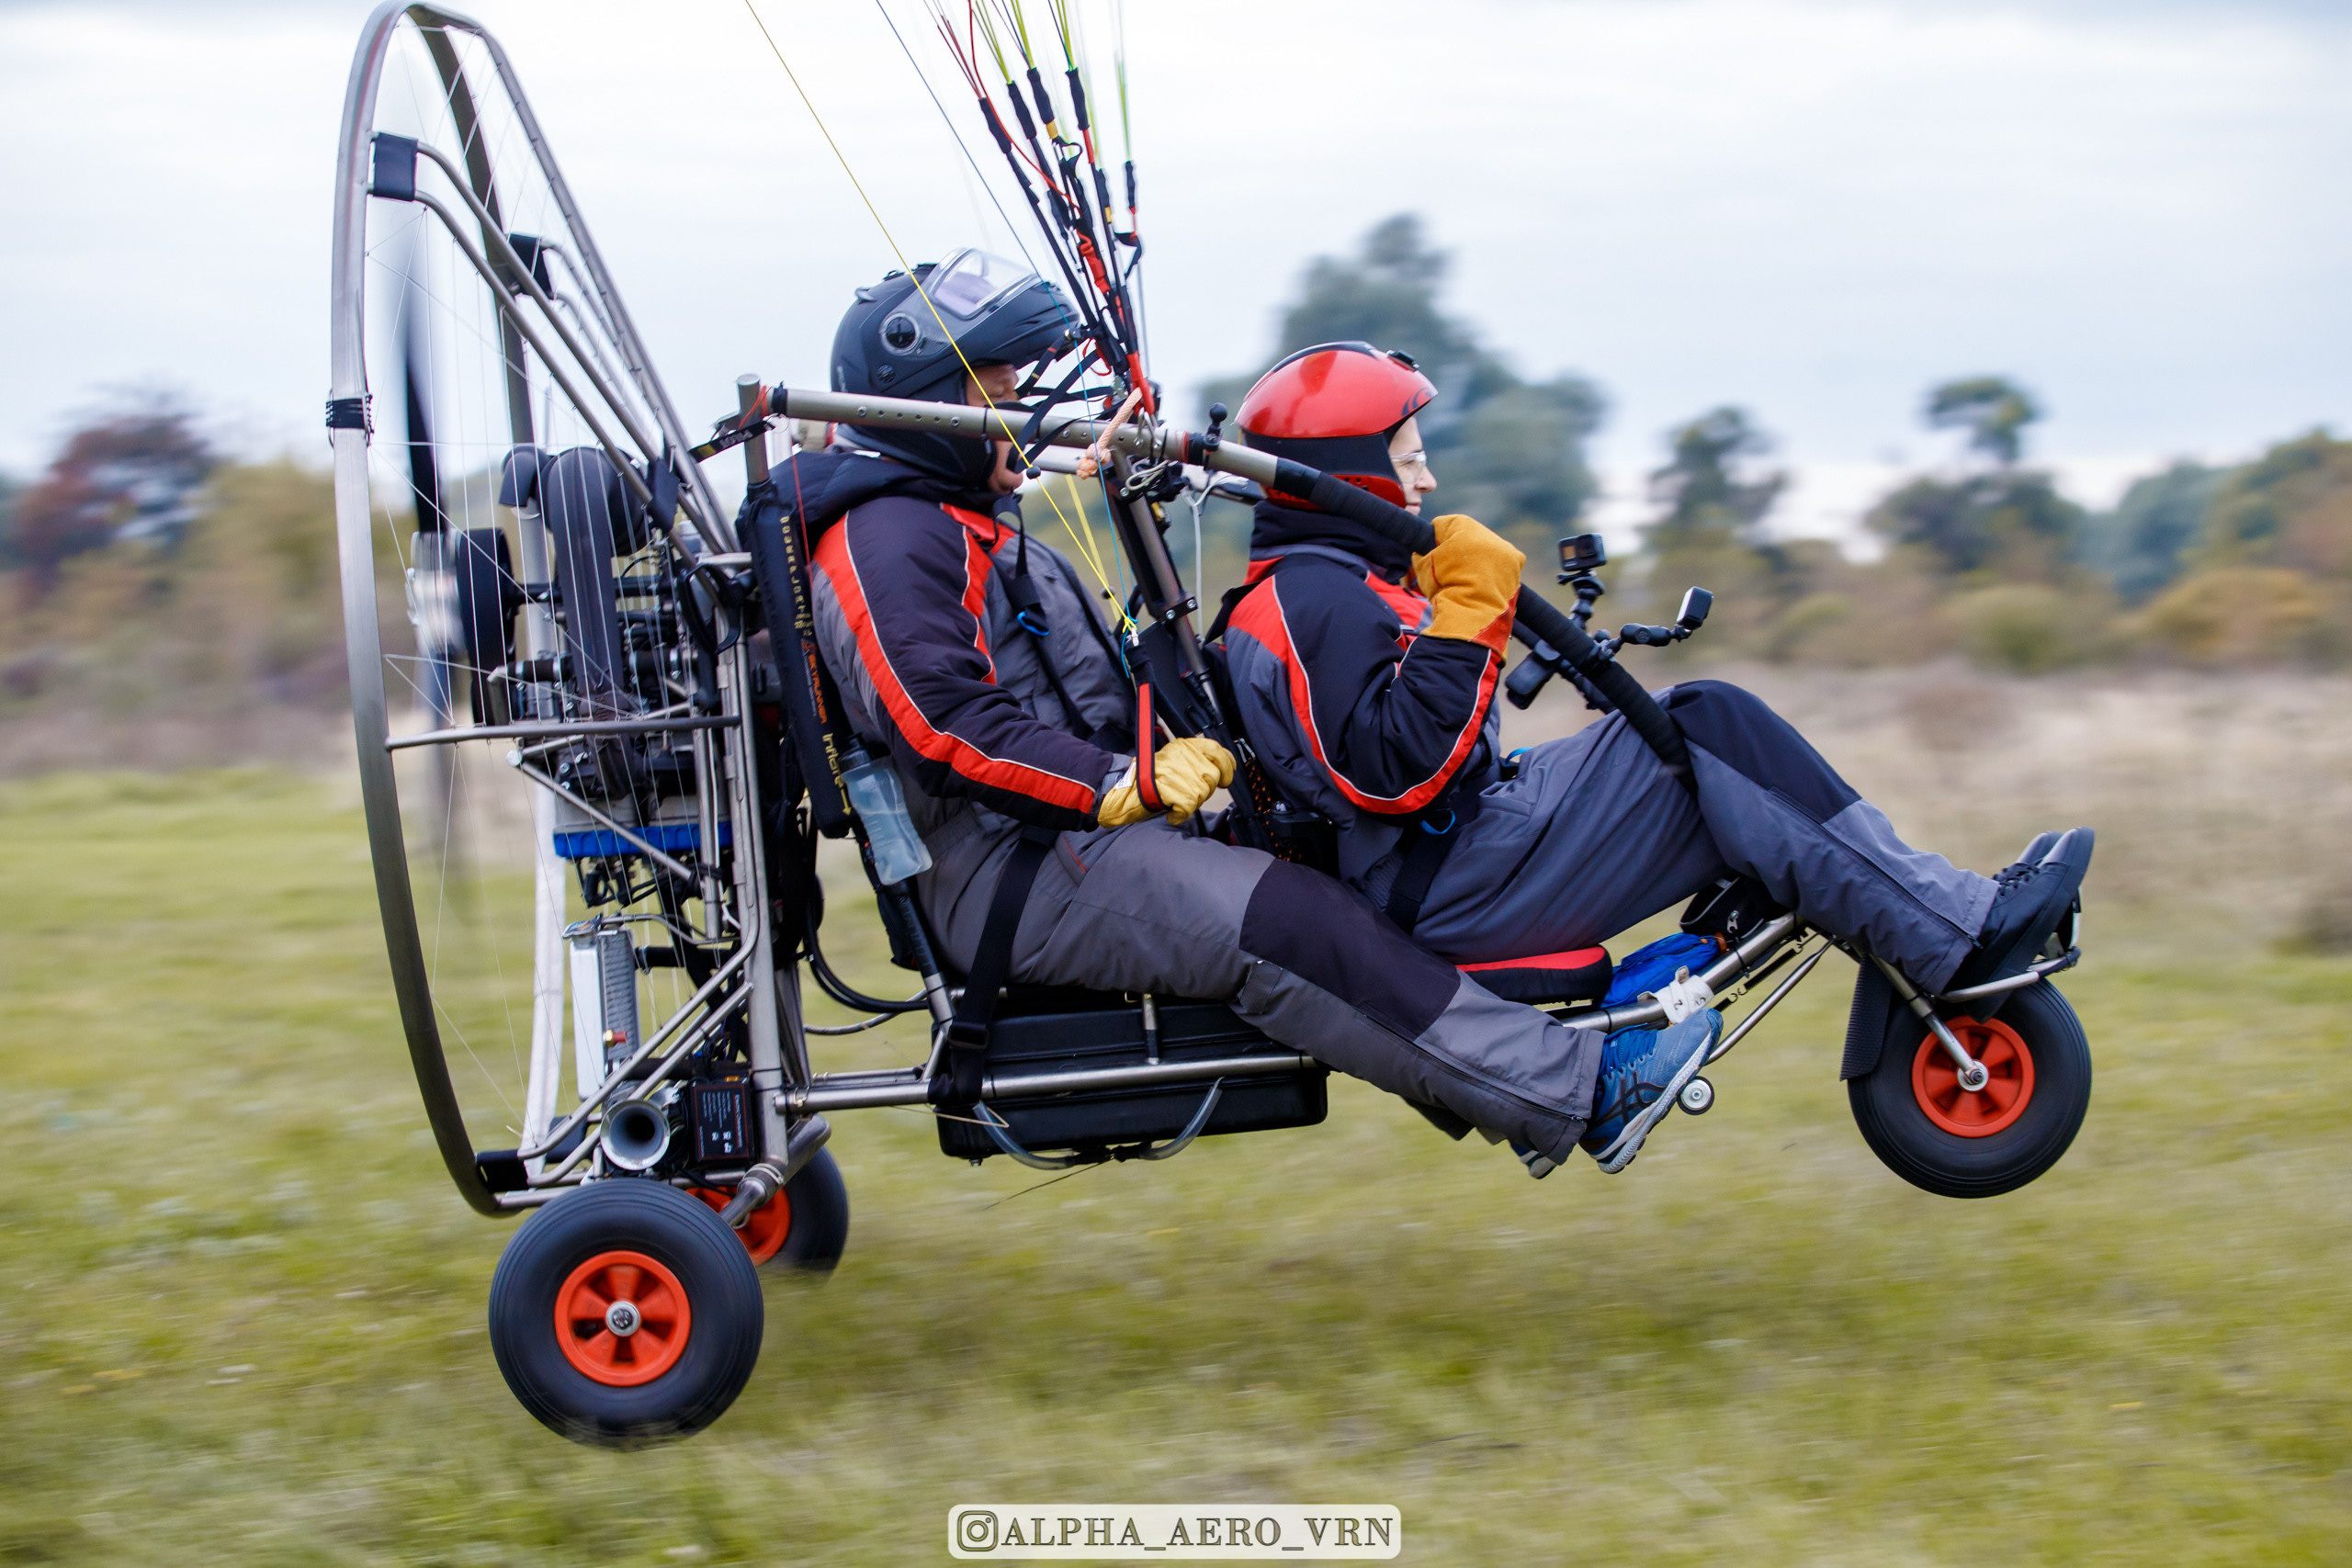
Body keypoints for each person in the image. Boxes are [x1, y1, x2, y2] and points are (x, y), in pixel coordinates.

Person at [795, 252, 1720, 1177]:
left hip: (1073, 837)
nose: (1022, 407)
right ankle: (1577, 1091)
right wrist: (1116, 779)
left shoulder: (965, 526)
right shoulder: (889, 535)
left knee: (1318, 870)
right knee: (1289, 923)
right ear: (926, 402)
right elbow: (943, 722)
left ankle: (1552, 1028)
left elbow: (1074, 693)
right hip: (1015, 868)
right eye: (996, 388)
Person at [1212, 341, 2093, 1168]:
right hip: (1445, 882)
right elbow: (1393, 770)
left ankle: (1925, 920)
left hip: (1447, 853)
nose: (1427, 478)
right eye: (1407, 460)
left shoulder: (1325, 587)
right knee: (1711, 724)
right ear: (1351, 471)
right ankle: (1960, 933)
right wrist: (1471, 612)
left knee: (1706, 746)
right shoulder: (1314, 598)